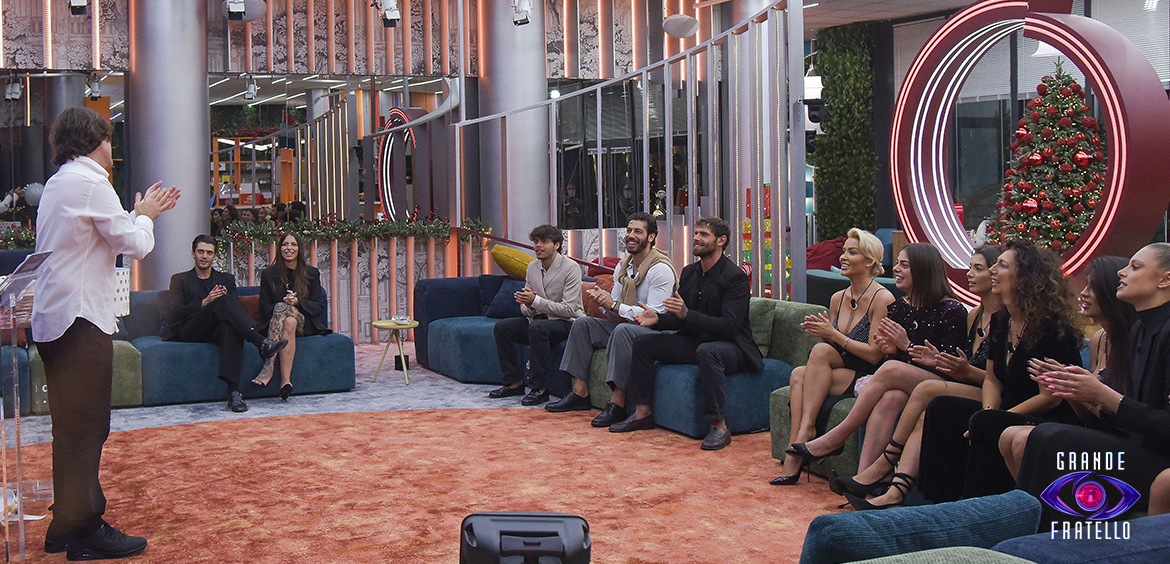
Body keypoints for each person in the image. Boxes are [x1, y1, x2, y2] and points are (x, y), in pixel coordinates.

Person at [33, 106, 180, 560]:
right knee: (87, 428)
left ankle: (64, 524)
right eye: (109, 140)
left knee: (68, 428)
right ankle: (84, 530)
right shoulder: (91, 183)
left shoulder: (60, 182)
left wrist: (135, 212)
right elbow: (135, 245)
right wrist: (146, 215)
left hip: (55, 321)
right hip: (80, 321)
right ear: (95, 142)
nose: (111, 150)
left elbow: (105, 234)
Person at [843, 240, 1083, 510]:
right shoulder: (1003, 320)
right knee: (940, 408)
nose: (993, 271)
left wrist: (994, 417)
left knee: (961, 412)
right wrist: (989, 412)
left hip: (1043, 414)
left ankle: (962, 503)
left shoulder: (1050, 327)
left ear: (1025, 277)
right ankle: (916, 496)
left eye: (1001, 266)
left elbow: (1051, 398)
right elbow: (992, 379)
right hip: (1003, 405)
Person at [1011, 244, 1170, 522]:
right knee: (1043, 435)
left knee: (1052, 439)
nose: (1122, 272)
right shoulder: (1141, 328)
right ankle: (1034, 528)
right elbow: (1131, 415)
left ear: (1165, 279)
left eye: (1135, 267)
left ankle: (1045, 533)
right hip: (1139, 446)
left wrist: (1102, 395)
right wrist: (1078, 390)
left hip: (1161, 459)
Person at [792, 243, 967, 482]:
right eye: (897, 263)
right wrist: (892, 351)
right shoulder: (899, 307)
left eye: (904, 265)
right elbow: (889, 359)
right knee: (890, 397)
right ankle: (863, 479)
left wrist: (905, 347)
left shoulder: (951, 310)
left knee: (890, 370)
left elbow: (952, 368)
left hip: (941, 383)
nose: (896, 269)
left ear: (923, 270)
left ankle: (836, 437)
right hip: (901, 382)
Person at [614, 217, 762, 450]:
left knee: (708, 351)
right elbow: (680, 317)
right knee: (643, 343)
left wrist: (687, 315)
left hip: (733, 347)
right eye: (696, 233)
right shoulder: (690, 272)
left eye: (703, 235)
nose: (696, 238)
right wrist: (658, 319)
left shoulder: (735, 278)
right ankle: (642, 413)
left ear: (721, 241)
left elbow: (729, 326)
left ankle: (719, 427)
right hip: (695, 341)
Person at [771, 229, 894, 482]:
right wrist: (824, 334)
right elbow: (835, 349)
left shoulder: (882, 299)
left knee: (806, 368)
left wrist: (833, 335)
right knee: (800, 372)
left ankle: (801, 441)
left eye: (852, 252)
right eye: (844, 251)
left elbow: (874, 355)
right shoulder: (838, 297)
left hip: (867, 374)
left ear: (869, 261)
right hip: (841, 366)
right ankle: (800, 441)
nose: (843, 257)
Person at [997, 256, 1134, 482]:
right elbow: (1087, 416)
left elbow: (1121, 419)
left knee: (1022, 439)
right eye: (1085, 286)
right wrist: (1069, 389)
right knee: (1008, 435)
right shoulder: (1100, 339)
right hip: (1095, 429)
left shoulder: (1133, 342)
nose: (1084, 294)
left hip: (1123, 439)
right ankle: (1028, 501)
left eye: (1093, 288)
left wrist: (1081, 390)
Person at [545, 212, 678, 425]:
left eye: (638, 231)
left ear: (652, 237)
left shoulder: (660, 269)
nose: (631, 235)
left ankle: (617, 403)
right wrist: (604, 303)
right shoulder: (623, 267)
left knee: (623, 331)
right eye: (629, 230)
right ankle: (580, 393)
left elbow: (654, 315)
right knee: (583, 324)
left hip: (655, 332)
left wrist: (614, 306)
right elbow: (614, 308)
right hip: (626, 325)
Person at [164, 235, 288, 412]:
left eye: (209, 253)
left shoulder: (226, 279)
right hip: (191, 329)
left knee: (229, 326)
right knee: (223, 301)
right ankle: (260, 342)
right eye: (200, 252)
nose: (204, 256)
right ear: (193, 253)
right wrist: (205, 302)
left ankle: (234, 393)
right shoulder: (179, 279)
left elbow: (233, 310)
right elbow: (174, 313)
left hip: (216, 329)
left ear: (214, 256)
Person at [489, 225, 585, 406]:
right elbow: (527, 308)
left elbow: (568, 310)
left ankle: (539, 389)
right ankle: (513, 383)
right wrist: (528, 306)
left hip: (567, 322)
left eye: (544, 242)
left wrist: (536, 302)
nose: (538, 246)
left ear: (557, 245)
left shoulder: (571, 267)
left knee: (537, 328)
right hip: (538, 320)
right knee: (503, 327)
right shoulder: (532, 267)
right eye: (536, 242)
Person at [254, 231, 330, 401]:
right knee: (288, 320)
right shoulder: (268, 274)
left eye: (293, 244)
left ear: (299, 249)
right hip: (278, 322)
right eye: (285, 244)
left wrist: (297, 302)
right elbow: (264, 308)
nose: (289, 248)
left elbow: (318, 306)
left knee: (284, 308)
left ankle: (268, 366)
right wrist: (282, 304)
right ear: (279, 248)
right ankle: (285, 383)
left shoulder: (311, 273)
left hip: (305, 323)